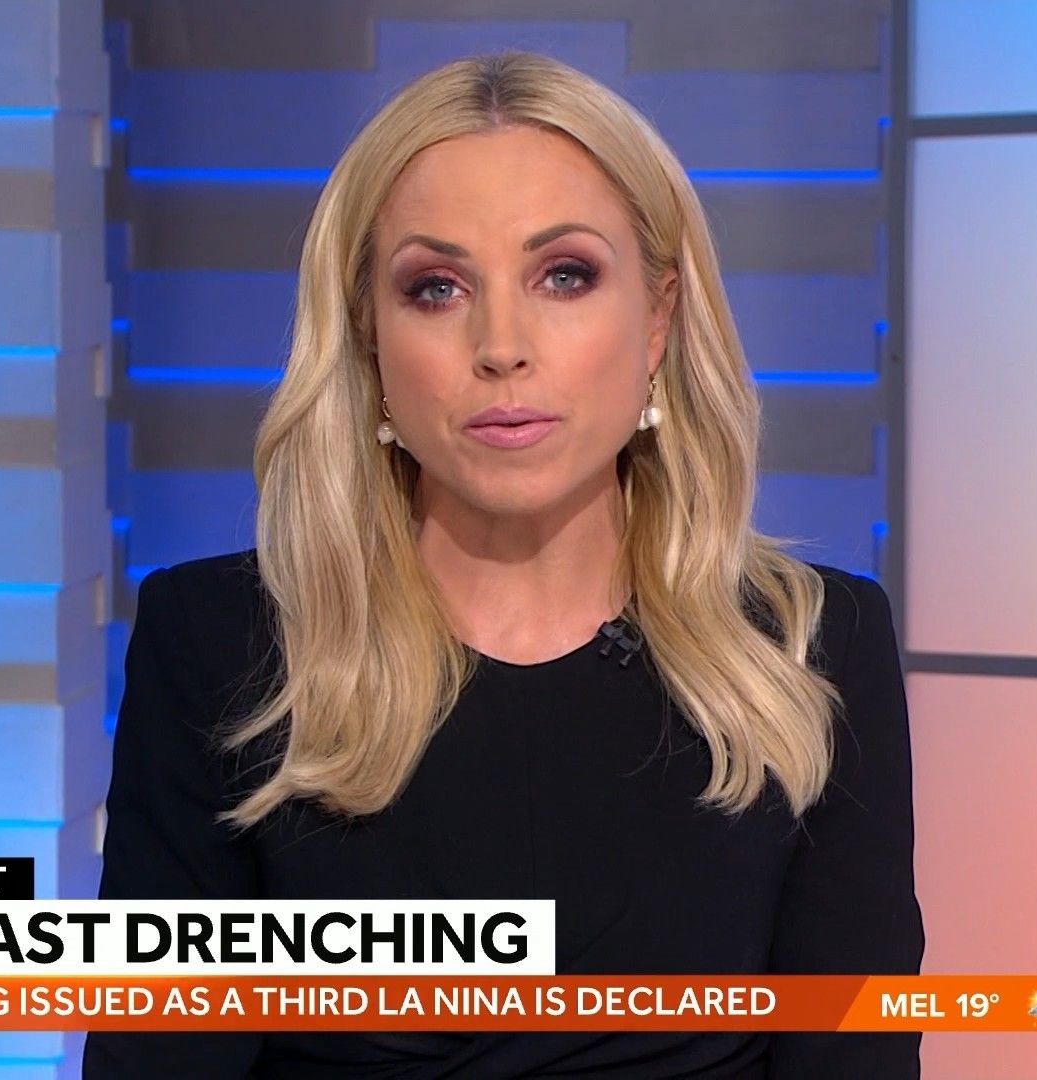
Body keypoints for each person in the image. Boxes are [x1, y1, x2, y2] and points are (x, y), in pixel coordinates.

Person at [84, 50, 924, 1078]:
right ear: (370, 337)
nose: (502, 345)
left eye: (564, 275)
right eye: (436, 288)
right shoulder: (217, 646)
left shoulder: (811, 650)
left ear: (657, 318)